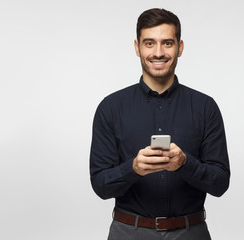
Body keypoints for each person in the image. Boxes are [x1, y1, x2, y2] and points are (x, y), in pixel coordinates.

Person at [90, 8, 230, 240]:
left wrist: (185, 164)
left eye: (167, 43)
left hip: (190, 232)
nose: (158, 52)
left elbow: (220, 183)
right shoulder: (110, 108)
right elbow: (100, 185)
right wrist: (132, 168)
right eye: (149, 43)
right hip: (128, 232)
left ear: (180, 47)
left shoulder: (205, 107)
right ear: (137, 48)